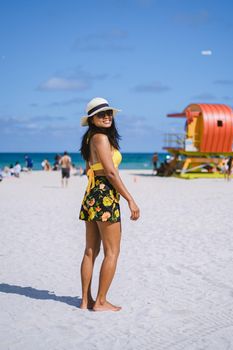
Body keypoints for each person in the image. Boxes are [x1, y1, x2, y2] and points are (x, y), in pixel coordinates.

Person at [79, 97, 140, 312]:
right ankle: (101, 302)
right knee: (111, 252)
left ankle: (86, 300)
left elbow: (91, 170)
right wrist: (130, 198)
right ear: (92, 119)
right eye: (101, 114)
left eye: (108, 113)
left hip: (92, 195)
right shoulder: (101, 139)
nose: (106, 117)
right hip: (105, 195)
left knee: (90, 251)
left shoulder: (89, 140)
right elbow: (111, 173)